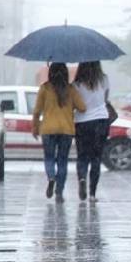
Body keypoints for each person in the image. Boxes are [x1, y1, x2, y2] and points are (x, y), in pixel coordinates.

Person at [32, 63, 86, 202]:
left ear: (50, 73)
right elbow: (83, 108)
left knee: (49, 158)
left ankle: (51, 177)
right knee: (62, 161)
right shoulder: (71, 89)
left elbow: (37, 111)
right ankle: (59, 193)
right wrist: (71, 107)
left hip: (48, 129)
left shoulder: (45, 88)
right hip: (66, 130)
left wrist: (35, 128)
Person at [73, 61, 110, 201]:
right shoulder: (104, 79)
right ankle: (93, 194)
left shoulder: (76, 84)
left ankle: (82, 178)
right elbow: (105, 99)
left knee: (82, 156)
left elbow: (75, 104)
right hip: (101, 120)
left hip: (82, 122)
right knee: (96, 158)